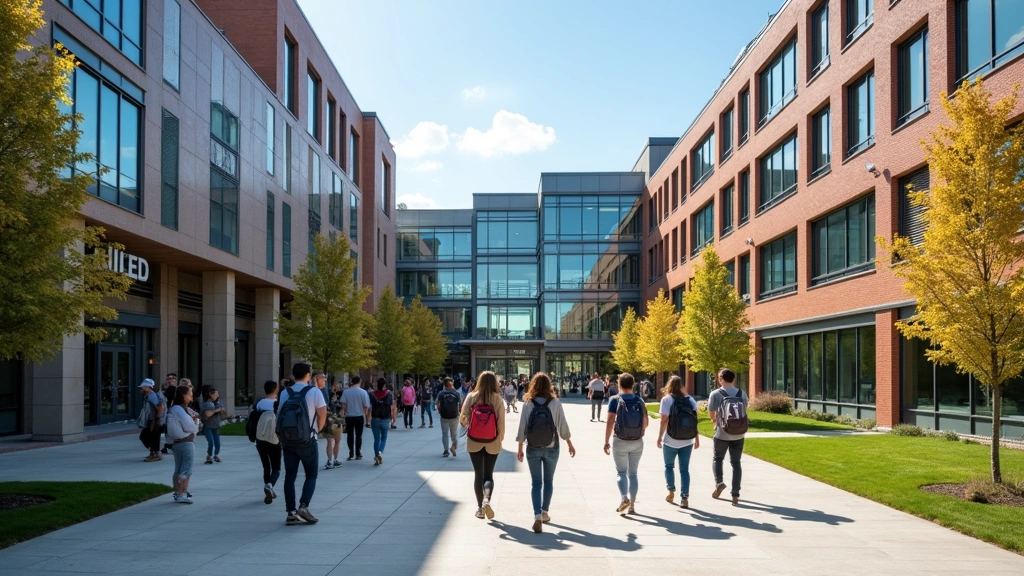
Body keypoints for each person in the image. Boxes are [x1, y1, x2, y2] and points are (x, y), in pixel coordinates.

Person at [516, 373, 575, 533]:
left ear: (533, 385)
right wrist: (569, 443)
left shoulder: (528, 403)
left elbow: (523, 426)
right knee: (548, 481)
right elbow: (563, 426)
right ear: (549, 385)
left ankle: (536, 515)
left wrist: (520, 447)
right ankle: (545, 512)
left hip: (533, 447)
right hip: (552, 447)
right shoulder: (555, 402)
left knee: (536, 482)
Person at [279, 363, 328, 525]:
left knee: (290, 476)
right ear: (309, 375)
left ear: (293, 375)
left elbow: (279, 415)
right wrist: (316, 431)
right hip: (308, 439)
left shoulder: (285, 392)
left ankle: (291, 512)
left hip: (288, 440)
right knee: (311, 474)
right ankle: (304, 506)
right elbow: (322, 414)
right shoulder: (314, 392)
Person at [460, 371, 505, 520]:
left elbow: (463, 418)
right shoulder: (497, 398)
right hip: (492, 440)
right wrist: (500, 437)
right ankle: (487, 500)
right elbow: (501, 422)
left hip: (474, 440)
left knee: (478, 474)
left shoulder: (472, 396)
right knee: (488, 475)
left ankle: (480, 508)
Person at [603, 373, 648, 515]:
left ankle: (624, 498)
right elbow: (646, 422)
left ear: (619, 384)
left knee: (621, 472)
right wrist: (640, 430)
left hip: (620, 440)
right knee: (633, 473)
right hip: (636, 441)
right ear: (633, 384)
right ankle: (632, 505)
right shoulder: (639, 400)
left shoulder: (615, 400)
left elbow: (610, 421)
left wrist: (606, 441)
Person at [707, 368, 748, 506]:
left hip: (722, 433)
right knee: (736, 463)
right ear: (733, 379)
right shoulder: (742, 393)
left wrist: (715, 422)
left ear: (721, 379)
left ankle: (719, 482)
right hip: (739, 433)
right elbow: (744, 410)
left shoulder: (716, 394)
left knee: (718, 459)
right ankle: (735, 494)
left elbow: (712, 413)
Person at [658, 375, 699, 508]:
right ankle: (685, 497)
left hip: (671, 440)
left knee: (669, 466)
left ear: (669, 385)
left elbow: (664, 420)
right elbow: (694, 421)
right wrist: (696, 438)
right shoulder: (690, 400)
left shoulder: (666, 399)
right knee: (684, 469)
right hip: (687, 440)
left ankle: (671, 491)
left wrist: (659, 437)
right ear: (682, 385)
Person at [166, 385, 199, 503]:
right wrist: (195, 425)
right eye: (190, 393)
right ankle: (182, 493)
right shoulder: (179, 409)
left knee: (179, 468)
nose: (192, 395)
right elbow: (190, 426)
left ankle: (178, 493)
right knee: (186, 469)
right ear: (183, 395)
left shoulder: (176, 408)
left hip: (177, 444)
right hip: (186, 443)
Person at [254, 380, 281, 505]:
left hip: (260, 437)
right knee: (276, 467)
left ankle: (268, 487)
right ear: (275, 389)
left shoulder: (260, 403)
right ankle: (270, 486)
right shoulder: (277, 404)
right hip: (274, 438)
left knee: (266, 466)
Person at [340, 376, 371, 461]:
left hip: (349, 416)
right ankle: (358, 452)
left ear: (351, 382)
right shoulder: (363, 392)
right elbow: (366, 406)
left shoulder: (346, 392)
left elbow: (343, 405)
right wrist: (366, 417)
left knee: (350, 435)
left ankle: (351, 452)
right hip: (359, 416)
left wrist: (345, 411)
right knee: (359, 435)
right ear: (359, 382)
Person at [369, 378, 397, 465]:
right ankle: (380, 452)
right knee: (384, 437)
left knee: (376, 438)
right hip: (385, 418)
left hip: (375, 418)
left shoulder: (372, 394)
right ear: (384, 385)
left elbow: (369, 407)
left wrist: (367, 418)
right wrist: (393, 418)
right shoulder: (389, 394)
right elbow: (392, 407)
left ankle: (377, 454)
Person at [138, 379, 165, 462]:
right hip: (151, 420)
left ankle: (155, 453)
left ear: (148, 387)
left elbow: (160, 407)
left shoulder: (152, 396)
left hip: (154, 421)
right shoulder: (148, 396)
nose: (141, 389)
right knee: (147, 436)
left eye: (143, 387)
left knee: (151, 437)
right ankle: (154, 452)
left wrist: (157, 420)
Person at [436, 377, 462, 457]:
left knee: (445, 434)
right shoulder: (457, 393)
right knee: (454, 434)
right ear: (452, 384)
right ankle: (453, 446)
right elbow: (461, 403)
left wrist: (440, 411)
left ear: (444, 384)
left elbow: (437, 403)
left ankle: (446, 450)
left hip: (444, 416)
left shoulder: (441, 393)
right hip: (454, 416)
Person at [200, 388, 227, 464]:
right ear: (210, 394)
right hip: (208, 427)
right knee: (211, 442)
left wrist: (222, 410)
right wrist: (217, 410)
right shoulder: (207, 404)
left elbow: (224, 416)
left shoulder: (218, 404)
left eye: (218, 394)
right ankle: (209, 456)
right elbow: (207, 414)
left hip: (216, 427)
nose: (217, 395)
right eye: (215, 394)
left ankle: (216, 455)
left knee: (218, 444)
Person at [323, 382, 344, 469]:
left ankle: (329, 460)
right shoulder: (339, 401)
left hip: (329, 421)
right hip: (337, 422)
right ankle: (335, 459)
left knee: (330, 441)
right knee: (337, 441)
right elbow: (342, 410)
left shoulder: (326, 401)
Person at [160, 373, 177, 454]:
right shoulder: (165, 389)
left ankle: (171, 444)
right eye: (168, 379)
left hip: (172, 410)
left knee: (171, 428)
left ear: (175, 379)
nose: (170, 380)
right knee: (167, 428)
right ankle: (169, 444)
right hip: (165, 410)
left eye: (172, 378)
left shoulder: (175, 389)